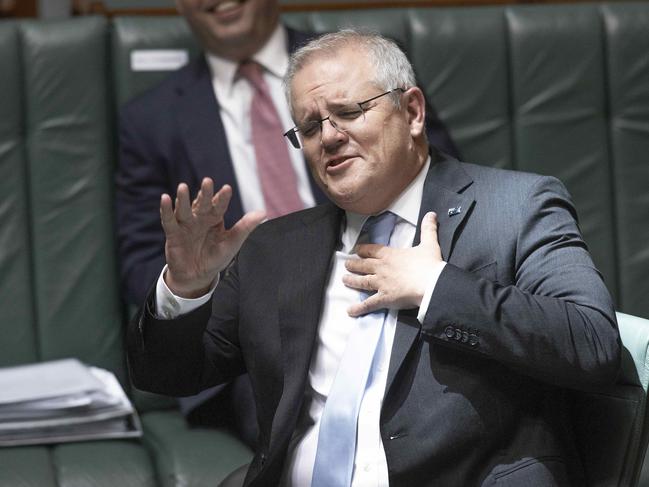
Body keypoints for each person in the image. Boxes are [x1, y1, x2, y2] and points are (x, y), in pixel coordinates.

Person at [127, 30, 620, 486]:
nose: (330, 137)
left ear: (412, 112)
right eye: (311, 126)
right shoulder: (277, 248)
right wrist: (186, 288)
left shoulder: (515, 208)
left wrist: (437, 288)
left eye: (348, 111)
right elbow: (170, 376)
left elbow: (592, 344)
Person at [116, 0, 460, 447]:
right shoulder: (150, 120)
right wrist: (202, 288)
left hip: (388, 289)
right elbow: (142, 261)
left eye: (346, 116)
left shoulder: (360, 65)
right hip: (253, 340)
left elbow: (442, 180)